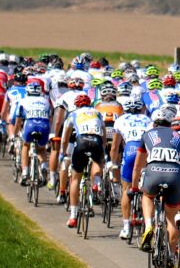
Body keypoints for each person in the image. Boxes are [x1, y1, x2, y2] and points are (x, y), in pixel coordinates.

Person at [134, 105, 180, 261]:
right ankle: (170, 256)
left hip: (154, 173)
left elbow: (137, 165)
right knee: (171, 219)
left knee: (147, 196)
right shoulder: (178, 137)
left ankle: (149, 225)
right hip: (174, 176)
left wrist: (134, 186)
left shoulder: (147, 134)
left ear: (154, 122)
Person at [60, 92, 106, 229]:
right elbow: (103, 134)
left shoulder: (73, 114)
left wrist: (63, 152)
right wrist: (103, 151)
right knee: (98, 161)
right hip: (96, 140)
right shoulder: (97, 113)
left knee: (75, 179)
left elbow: (65, 137)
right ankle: (96, 183)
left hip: (81, 141)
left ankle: (73, 216)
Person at [110, 96, 152, 240]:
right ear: (141, 108)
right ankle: (147, 222)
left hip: (130, 149)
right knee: (146, 191)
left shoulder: (120, 120)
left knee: (126, 189)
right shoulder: (148, 120)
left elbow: (115, 147)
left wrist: (113, 163)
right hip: (146, 151)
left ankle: (126, 227)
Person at [13, 78, 52, 186]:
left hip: (30, 125)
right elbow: (50, 118)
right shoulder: (46, 101)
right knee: (41, 149)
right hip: (44, 125)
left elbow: (18, 121)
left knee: (25, 145)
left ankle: (25, 173)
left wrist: (15, 133)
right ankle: (44, 167)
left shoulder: (23, 100)